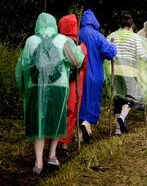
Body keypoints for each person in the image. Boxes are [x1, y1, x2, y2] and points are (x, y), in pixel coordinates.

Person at [15, 13, 85, 174]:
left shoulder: (31, 41)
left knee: (38, 123)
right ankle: (52, 156)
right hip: (58, 86)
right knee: (56, 120)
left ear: (38, 24)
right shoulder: (63, 40)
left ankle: (38, 162)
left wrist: (22, 88)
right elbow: (76, 61)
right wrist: (79, 50)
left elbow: (22, 66)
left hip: (35, 87)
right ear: (54, 24)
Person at [106, 11, 147, 135]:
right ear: (131, 24)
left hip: (115, 71)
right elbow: (141, 54)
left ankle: (117, 130)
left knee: (118, 97)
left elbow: (108, 50)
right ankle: (122, 117)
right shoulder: (134, 37)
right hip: (130, 71)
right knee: (130, 98)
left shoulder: (113, 35)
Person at [78, 9, 117, 143]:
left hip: (78, 75)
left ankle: (81, 131)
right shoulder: (97, 35)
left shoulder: (76, 35)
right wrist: (113, 46)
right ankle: (87, 123)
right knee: (93, 101)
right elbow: (110, 52)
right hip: (94, 75)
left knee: (79, 101)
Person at [57, 14, 88, 156]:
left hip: (56, 84)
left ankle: (54, 142)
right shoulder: (78, 46)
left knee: (58, 113)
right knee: (70, 112)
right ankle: (63, 143)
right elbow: (82, 65)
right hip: (74, 84)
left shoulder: (55, 42)